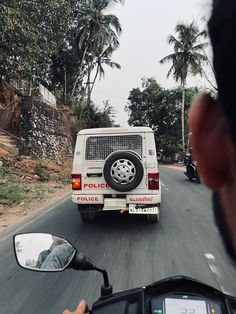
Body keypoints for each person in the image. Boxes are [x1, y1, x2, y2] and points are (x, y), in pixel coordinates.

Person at [63, 0, 236, 312]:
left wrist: (91, 194)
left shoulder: (88, 160)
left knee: (98, 207)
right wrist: (140, 201)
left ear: (209, 146)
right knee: (145, 210)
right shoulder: (146, 173)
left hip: (94, 193)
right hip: (138, 197)